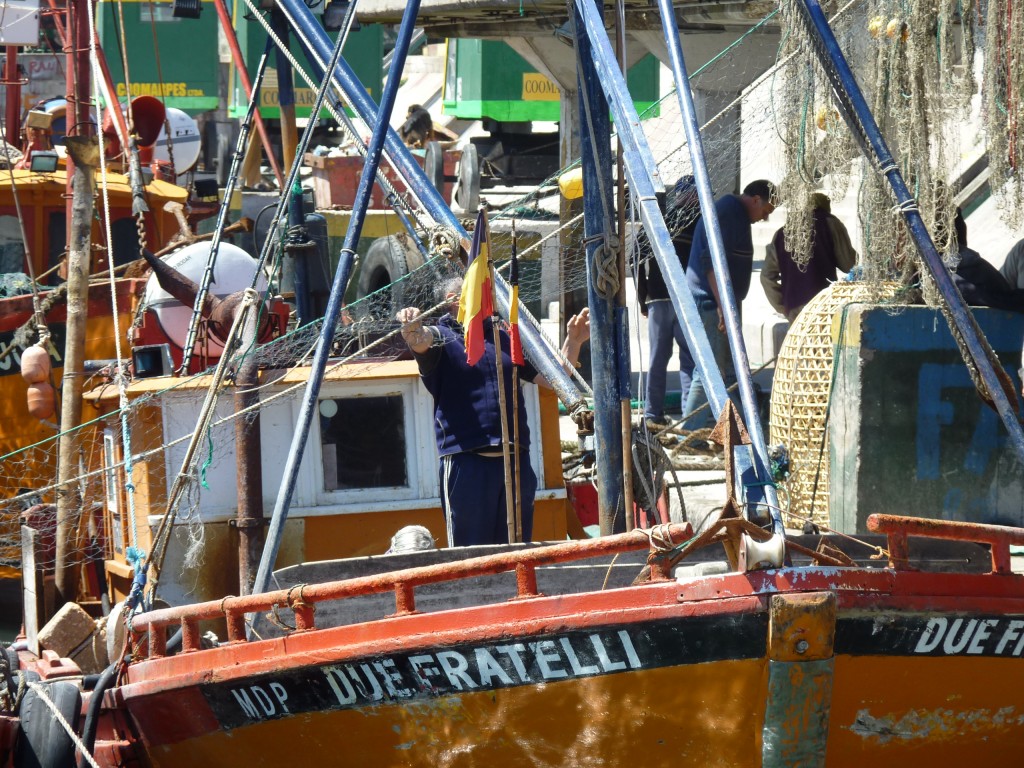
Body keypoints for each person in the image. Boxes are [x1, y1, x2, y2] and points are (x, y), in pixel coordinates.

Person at [397, 279, 590, 547]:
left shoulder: (503, 337)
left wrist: (574, 340)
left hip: (515, 462)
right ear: (455, 299)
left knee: (517, 553)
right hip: (468, 465)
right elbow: (420, 341)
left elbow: (557, 378)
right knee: (470, 556)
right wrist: (412, 327)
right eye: (483, 288)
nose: (492, 295)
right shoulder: (441, 336)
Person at [682, 179, 777, 429]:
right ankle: (688, 435)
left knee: (717, 370)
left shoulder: (735, 213)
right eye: (766, 211)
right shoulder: (730, 212)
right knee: (711, 372)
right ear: (756, 199)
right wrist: (723, 307)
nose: (764, 218)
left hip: (719, 302)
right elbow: (709, 262)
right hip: (711, 302)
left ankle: (736, 429)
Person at [637, 177, 699, 429]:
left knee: (659, 358)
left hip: (661, 300)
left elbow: (636, 259)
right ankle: (688, 417)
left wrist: (643, 297)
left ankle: (653, 414)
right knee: (689, 360)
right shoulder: (699, 224)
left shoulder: (657, 221)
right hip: (684, 300)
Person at [761, 192, 858, 322]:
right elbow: (849, 264)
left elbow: (766, 277)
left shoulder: (781, 234)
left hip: (794, 307)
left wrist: (782, 305)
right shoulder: (830, 223)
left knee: (797, 341)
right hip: (823, 304)